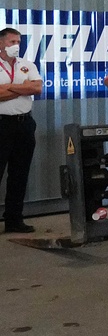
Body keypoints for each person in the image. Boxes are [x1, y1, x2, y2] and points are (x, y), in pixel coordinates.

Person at [0, 26, 43, 235]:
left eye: (18, 42)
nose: (16, 46)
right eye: (11, 42)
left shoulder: (27, 65)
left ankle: (14, 220)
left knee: (19, 174)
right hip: (2, 124)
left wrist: (9, 88)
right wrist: (21, 88)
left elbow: (36, 88)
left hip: (24, 124)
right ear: (1, 44)